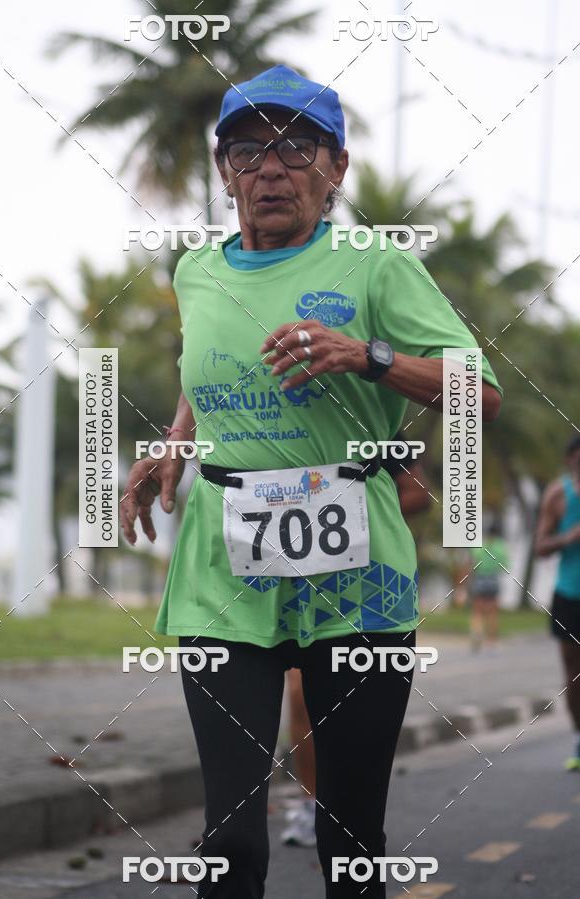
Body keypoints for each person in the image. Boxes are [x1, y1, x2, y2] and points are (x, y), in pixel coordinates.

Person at [120, 64, 502, 899]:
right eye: (247, 148)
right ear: (225, 173)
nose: (271, 166)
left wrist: (365, 354)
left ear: (337, 169)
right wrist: (176, 444)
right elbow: (202, 371)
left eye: (297, 146)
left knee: (350, 834)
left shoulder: (375, 267)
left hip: (355, 579)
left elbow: (481, 393)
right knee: (230, 838)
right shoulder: (197, 272)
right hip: (225, 578)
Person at [282, 434, 431, 848]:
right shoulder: (270, 412)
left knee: (342, 705)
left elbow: (418, 494)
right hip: (285, 576)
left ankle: (344, 810)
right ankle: (311, 803)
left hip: (357, 585)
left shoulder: (371, 412)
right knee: (298, 697)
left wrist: (355, 517)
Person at [535, 435, 580, 771]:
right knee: (573, 674)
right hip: (568, 594)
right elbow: (540, 546)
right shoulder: (558, 494)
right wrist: (568, 537)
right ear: (569, 461)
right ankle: (579, 738)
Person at [465, 521, 509, 653]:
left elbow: (471, 563)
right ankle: (492, 641)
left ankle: (477, 632)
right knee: (493, 612)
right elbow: (505, 565)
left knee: (477, 610)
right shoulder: (501, 546)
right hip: (493, 579)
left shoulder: (479, 545)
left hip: (479, 578)